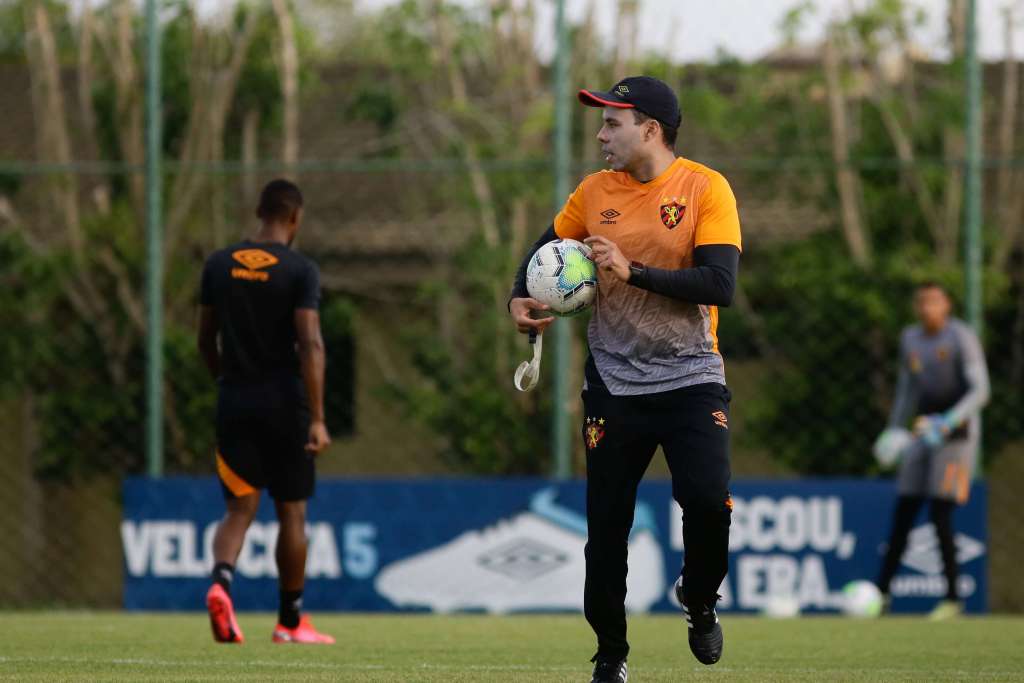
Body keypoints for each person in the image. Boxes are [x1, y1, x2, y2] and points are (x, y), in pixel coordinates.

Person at [508, 76, 741, 682]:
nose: (601, 133)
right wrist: (518, 296)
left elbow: (720, 285)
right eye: (601, 121)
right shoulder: (593, 191)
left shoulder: (704, 188)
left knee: (709, 504)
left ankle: (700, 599)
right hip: (613, 386)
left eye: (612, 122)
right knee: (606, 529)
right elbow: (546, 247)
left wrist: (630, 270)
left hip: (692, 378)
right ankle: (611, 655)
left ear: (651, 130)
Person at [197, 178, 334, 644]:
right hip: (286, 406)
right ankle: (290, 622)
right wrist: (316, 417)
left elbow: (205, 340)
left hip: (234, 400)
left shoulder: (218, 264)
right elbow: (310, 342)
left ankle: (220, 583)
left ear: (260, 212)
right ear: (295, 218)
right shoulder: (300, 270)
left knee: (238, 510)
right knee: (291, 513)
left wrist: (226, 379)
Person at [874, 282, 990, 620]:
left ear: (947, 305)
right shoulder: (910, 339)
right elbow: (907, 390)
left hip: (957, 436)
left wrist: (949, 421)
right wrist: (894, 428)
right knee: (904, 510)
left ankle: (953, 598)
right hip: (922, 433)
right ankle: (881, 595)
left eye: (935, 302)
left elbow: (981, 390)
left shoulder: (960, 338)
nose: (928, 308)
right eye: (922, 302)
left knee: (940, 513)